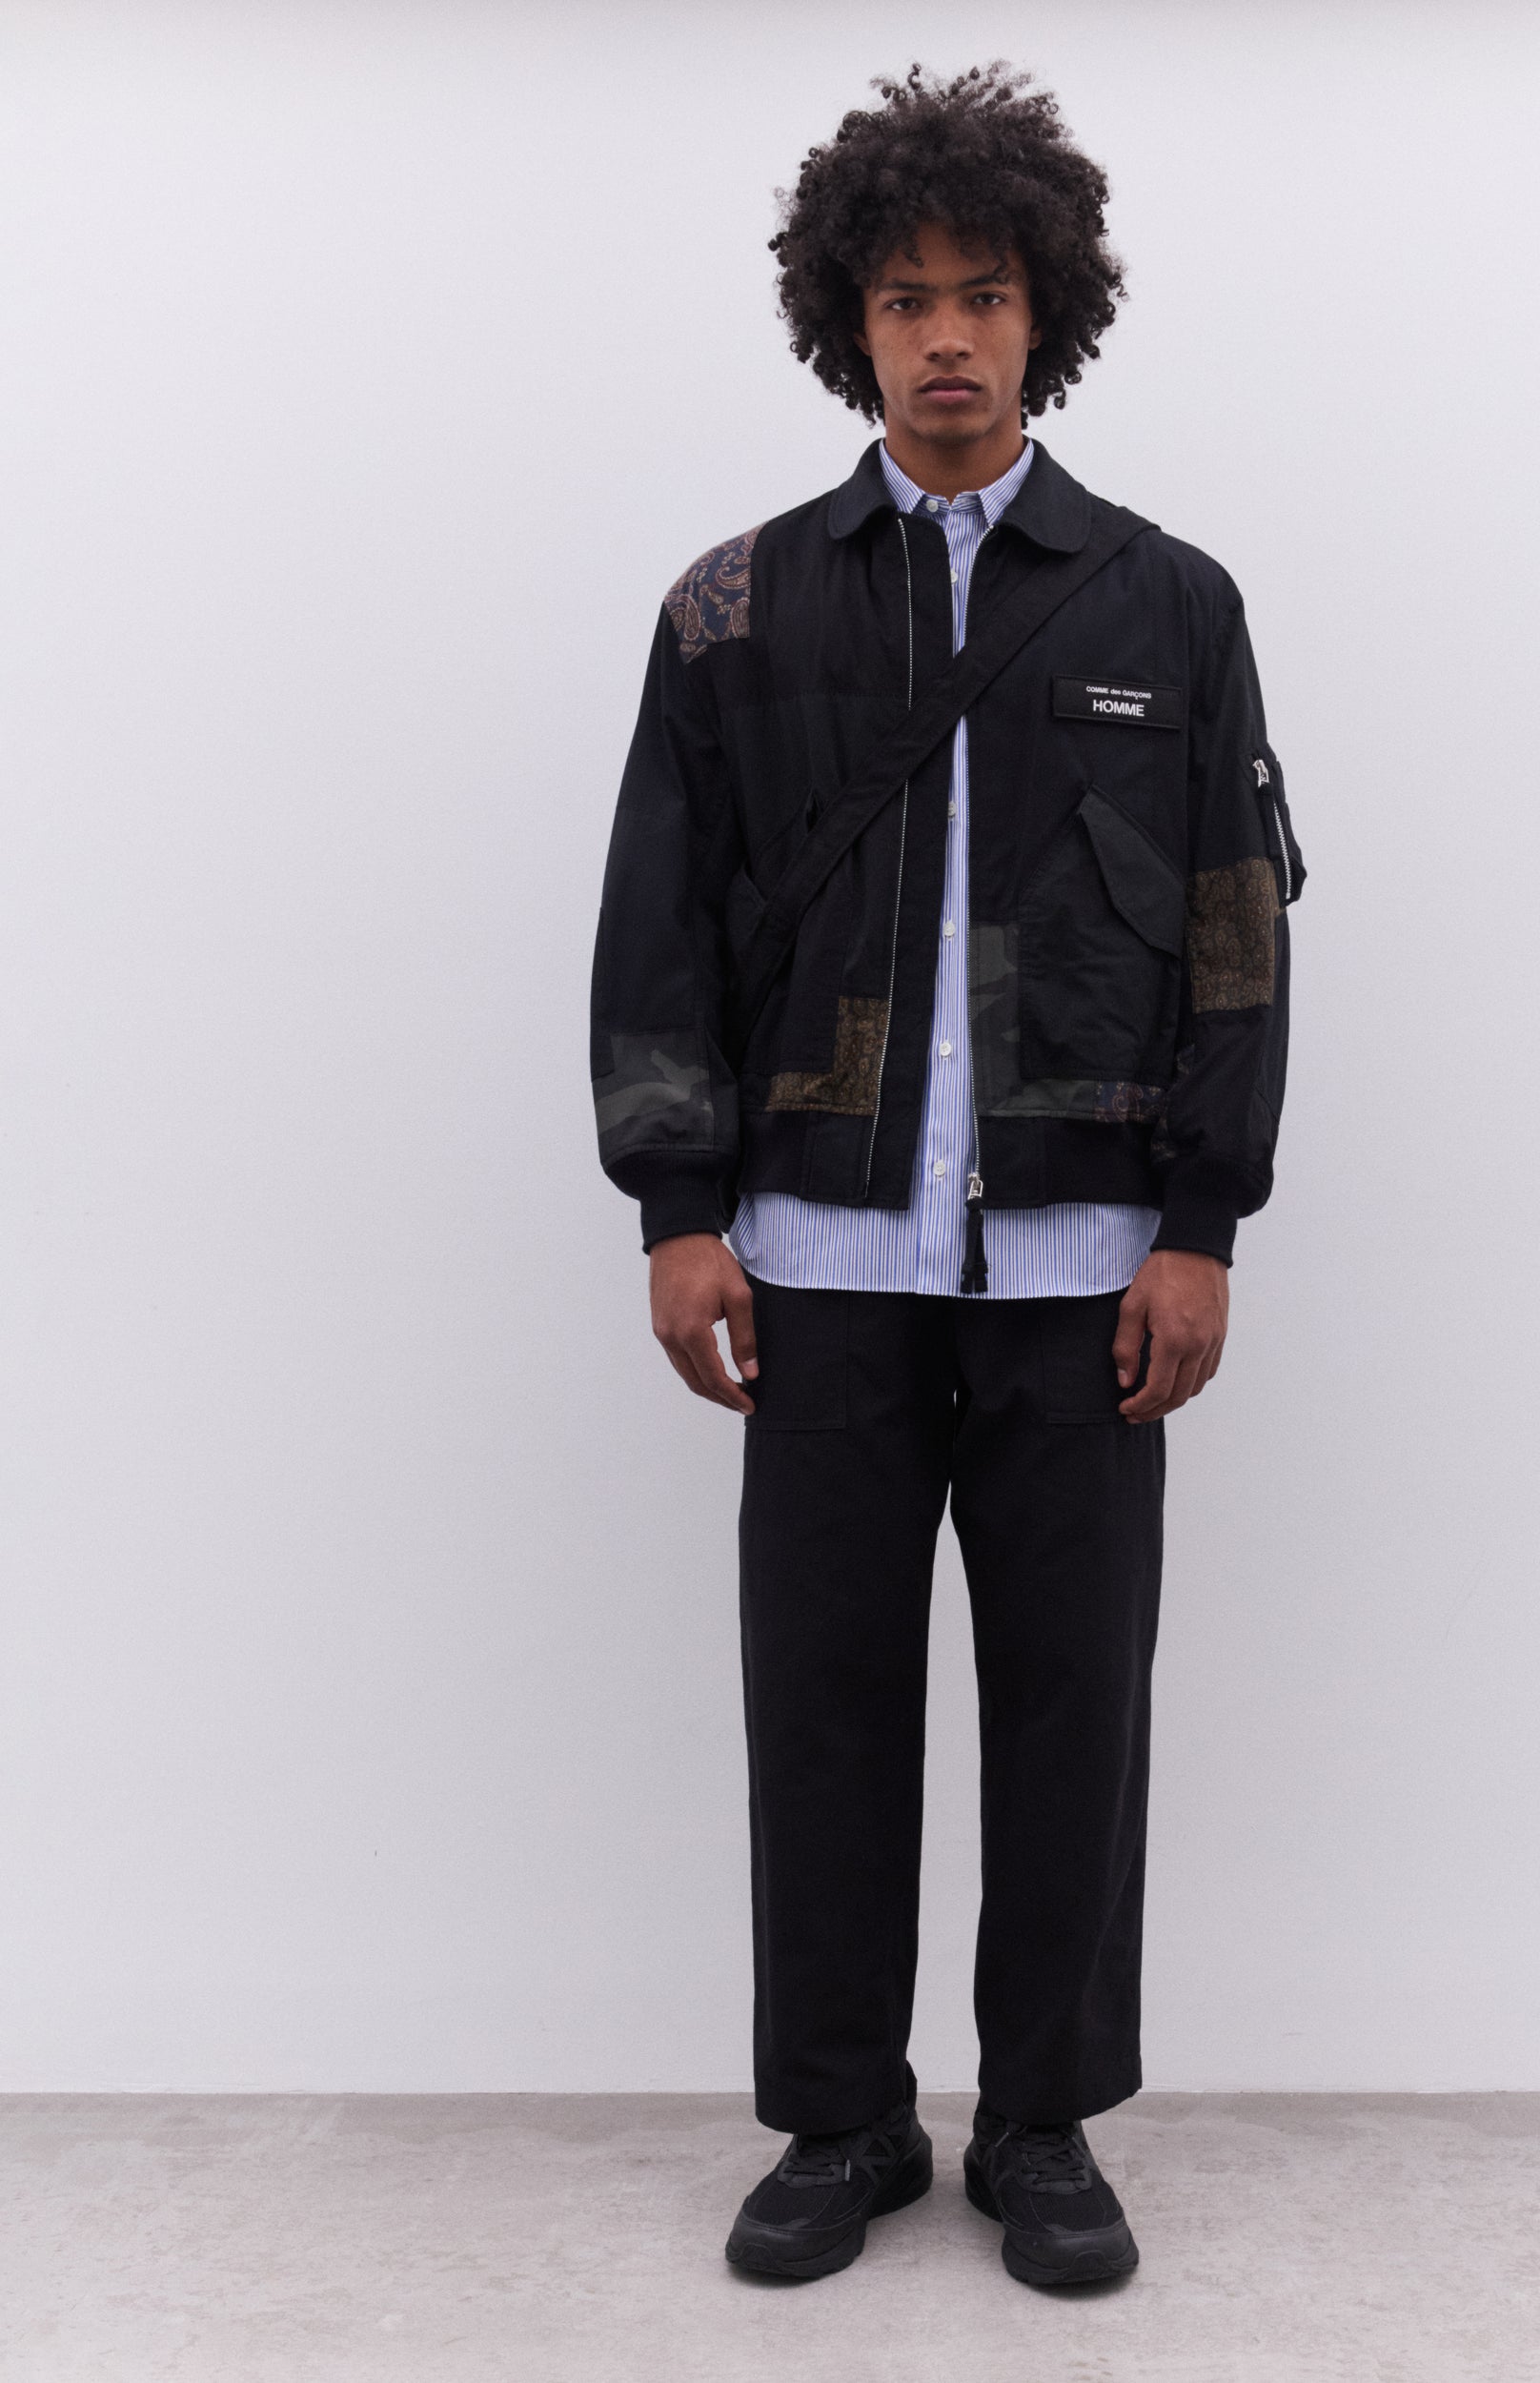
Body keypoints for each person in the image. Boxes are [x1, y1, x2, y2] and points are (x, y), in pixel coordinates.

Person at [590, 62, 1302, 2289]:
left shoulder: (1167, 602)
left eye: (982, 294)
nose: (945, 337)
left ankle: (1045, 2119)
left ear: (1045, 311)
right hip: (816, 1258)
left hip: (1084, 1265)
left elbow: (1234, 932)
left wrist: (1199, 1224)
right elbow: (658, 923)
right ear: (849, 323)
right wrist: (676, 1208)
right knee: (819, 1702)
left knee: (1077, 1706)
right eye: (903, 300)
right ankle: (839, 2118)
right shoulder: (736, 611)